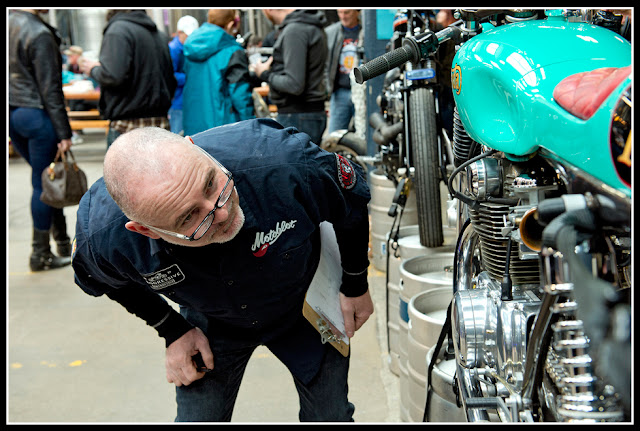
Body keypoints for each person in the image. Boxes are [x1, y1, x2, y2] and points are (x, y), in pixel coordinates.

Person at [71, 118, 374, 422]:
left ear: (193, 148)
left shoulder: (283, 161)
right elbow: (105, 282)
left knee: (331, 415)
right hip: (213, 322)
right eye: (190, 217)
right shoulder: (101, 239)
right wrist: (171, 329)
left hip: (305, 300)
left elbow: (350, 201)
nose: (223, 211)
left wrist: (355, 283)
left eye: (210, 183)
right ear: (146, 231)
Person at [9, 9, 73, 271]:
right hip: (36, 114)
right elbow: (50, 88)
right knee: (43, 184)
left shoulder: (10, 22)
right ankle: (40, 254)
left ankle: (63, 242)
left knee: (48, 179)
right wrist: (64, 132)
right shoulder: (38, 33)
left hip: (13, 111)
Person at [80, 9, 176, 147]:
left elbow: (113, 76)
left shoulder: (117, 31)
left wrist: (93, 69)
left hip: (127, 126)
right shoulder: (159, 35)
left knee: (122, 169)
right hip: (160, 124)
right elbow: (170, 80)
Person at [253, 9, 328, 145]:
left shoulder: (295, 30)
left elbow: (294, 84)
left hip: (297, 115)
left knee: (298, 166)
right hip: (306, 113)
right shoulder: (310, 25)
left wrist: (264, 73)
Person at [182, 9, 254, 136]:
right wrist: (252, 128)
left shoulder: (190, 47)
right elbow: (240, 96)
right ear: (231, 24)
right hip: (224, 129)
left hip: (193, 125)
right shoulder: (232, 50)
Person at [325, 9, 363, 133]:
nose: (343, 17)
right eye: (339, 13)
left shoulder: (366, 31)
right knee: (334, 135)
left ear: (357, 12)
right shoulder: (331, 32)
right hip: (340, 91)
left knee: (364, 132)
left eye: (347, 13)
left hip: (363, 91)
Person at [168, 15, 200, 135]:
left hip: (190, 100)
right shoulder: (173, 50)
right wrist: (191, 78)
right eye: (188, 35)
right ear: (179, 33)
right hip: (178, 102)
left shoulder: (191, 48)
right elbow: (171, 76)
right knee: (178, 137)